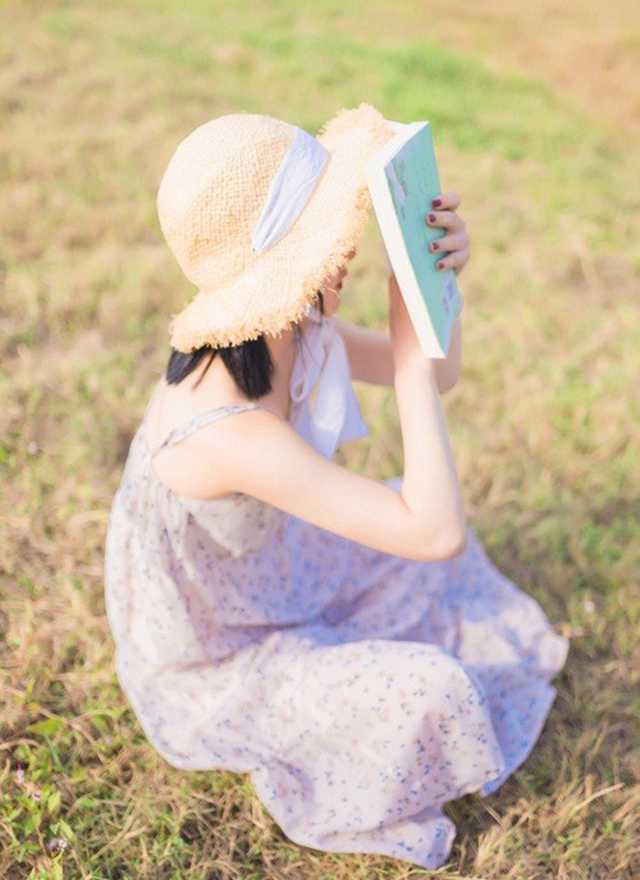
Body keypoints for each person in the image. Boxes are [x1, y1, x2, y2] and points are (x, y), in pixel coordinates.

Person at [104, 103, 570, 871]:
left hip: (273, 574)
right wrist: (411, 356)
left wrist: (436, 283)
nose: (348, 246)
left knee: (427, 560)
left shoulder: (290, 330)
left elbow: (433, 372)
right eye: (328, 234)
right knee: (432, 687)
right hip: (222, 654)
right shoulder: (226, 427)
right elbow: (433, 528)